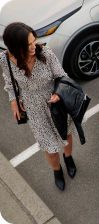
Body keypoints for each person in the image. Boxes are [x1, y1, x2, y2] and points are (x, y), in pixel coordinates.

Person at [1, 22, 78, 191]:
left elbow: (61, 76)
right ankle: (57, 172)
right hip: (33, 107)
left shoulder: (46, 53)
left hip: (55, 102)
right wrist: (13, 102)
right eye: (28, 44)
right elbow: (9, 81)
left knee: (65, 135)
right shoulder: (5, 60)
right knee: (50, 149)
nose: (33, 46)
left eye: (33, 41)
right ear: (15, 47)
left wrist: (58, 93)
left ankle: (69, 157)